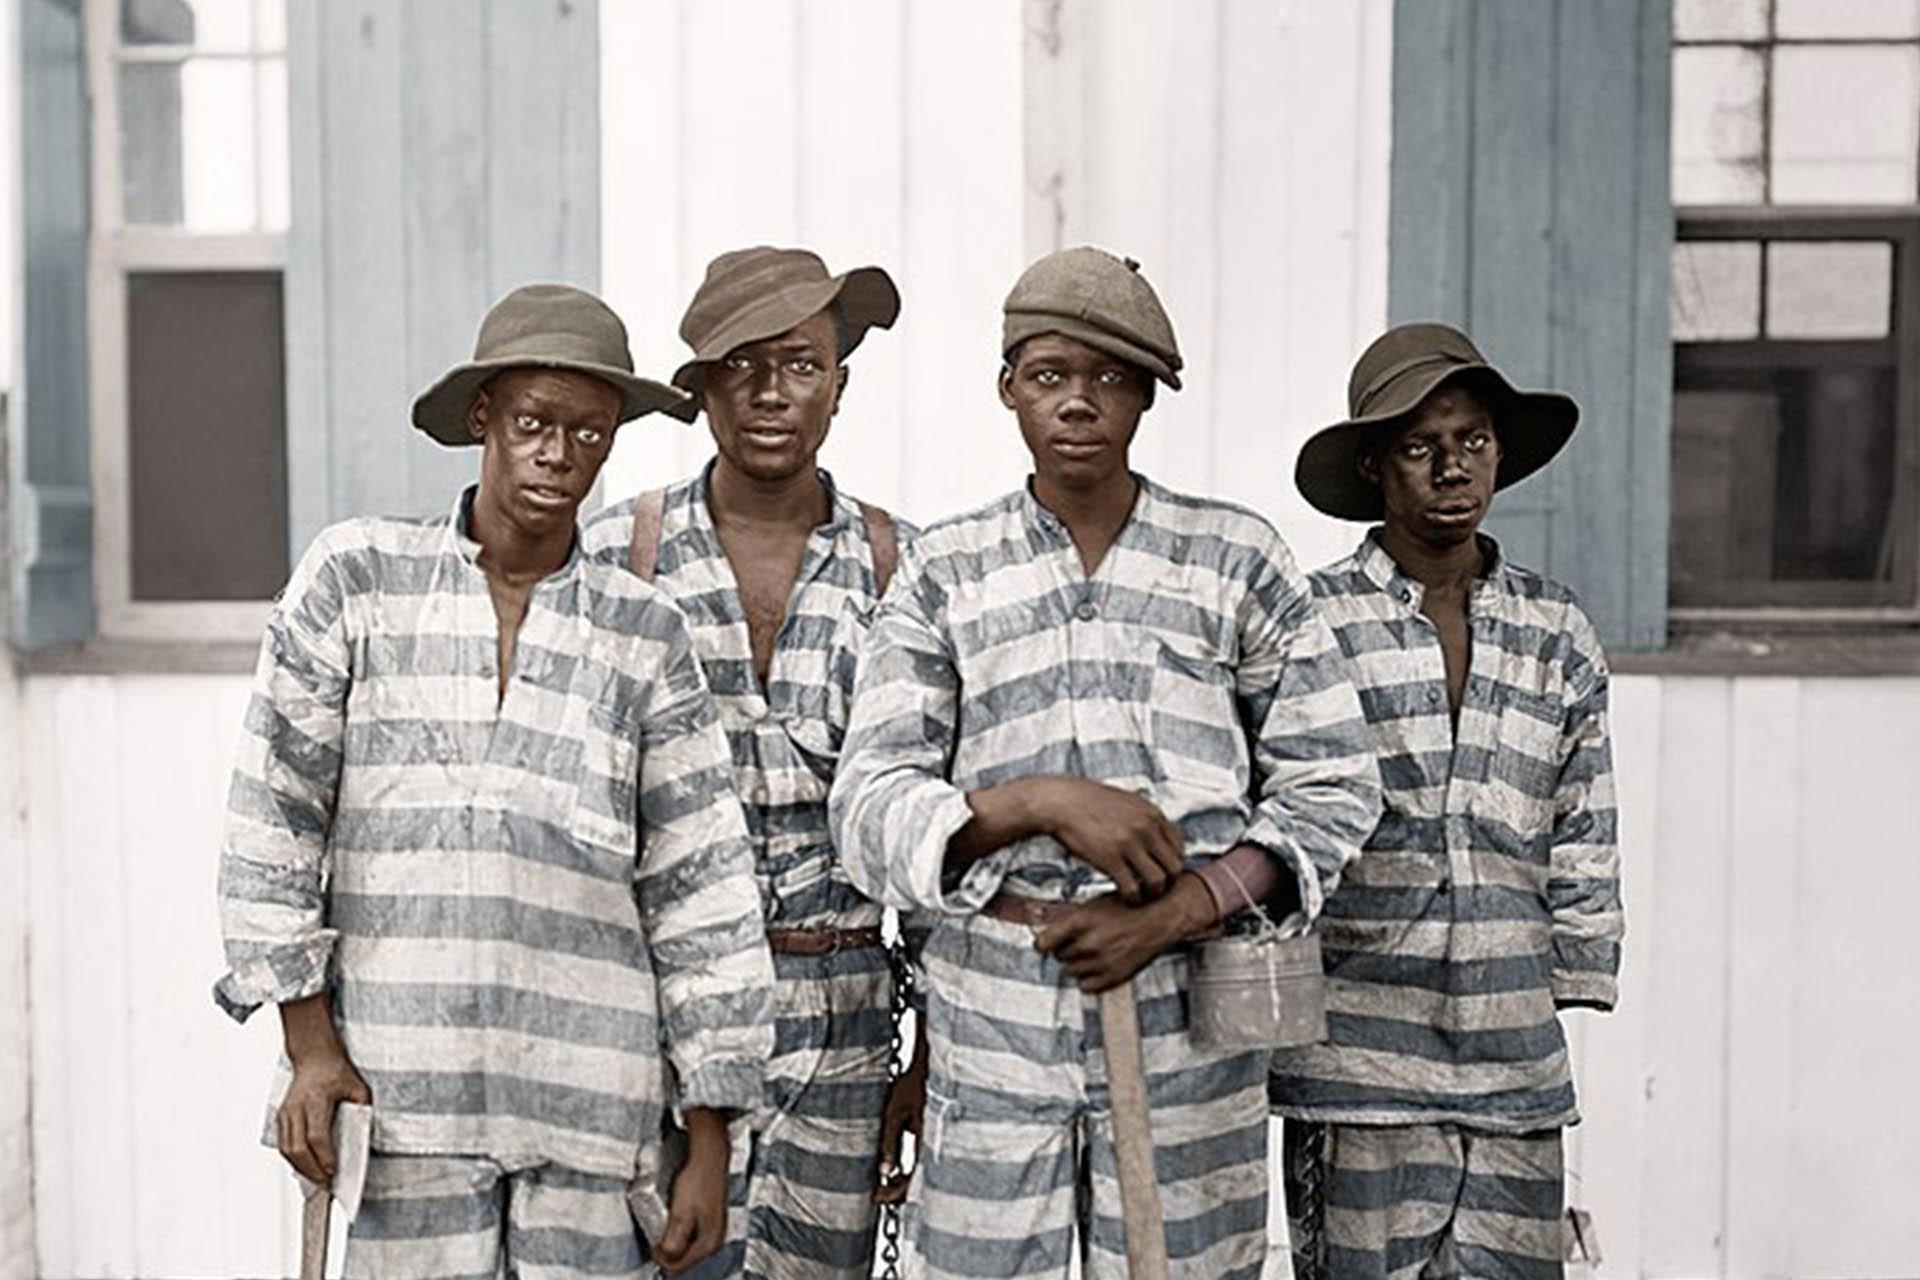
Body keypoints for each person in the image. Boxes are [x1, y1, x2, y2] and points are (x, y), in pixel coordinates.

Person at [829, 246, 1382, 1279]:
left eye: (1111, 378)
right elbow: (868, 803)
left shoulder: (1233, 557)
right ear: (1007, 388)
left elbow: (1334, 781)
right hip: (994, 1013)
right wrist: (1038, 802)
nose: (1079, 402)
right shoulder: (946, 570)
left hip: (1190, 1013)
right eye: (1049, 375)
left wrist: (1180, 909)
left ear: (1147, 396)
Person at [215, 284, 776, 1278]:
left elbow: (702, 893)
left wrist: (711, 1137)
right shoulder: (357, 581)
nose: (560, 457)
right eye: (535, 424)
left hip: (593, 1119)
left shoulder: (645, 637)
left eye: (590, 435)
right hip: (397, 1106)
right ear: (485, 419)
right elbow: (277, 811)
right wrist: (310, 1045)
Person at [582, 247, 917, 1280]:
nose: (773, 394)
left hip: (847, 1010)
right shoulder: (615, 554)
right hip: (658, 1010)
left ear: (840, 385)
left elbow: (940, 812)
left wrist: (931, 1050)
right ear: (699, 390)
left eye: (803, 364)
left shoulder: (906, 566)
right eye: (743, 367)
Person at [1272, 322, 1622, 1280]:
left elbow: (1583, 821)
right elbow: (1278, 826)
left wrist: (1575, 967)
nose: (1451, 469)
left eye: (1471, 442)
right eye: (1421, 448)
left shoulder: (1555, 629)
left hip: (1513, 1062)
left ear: (1500, 455)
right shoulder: (1312, 623)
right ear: (1377, 466)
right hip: (1354, 1060)